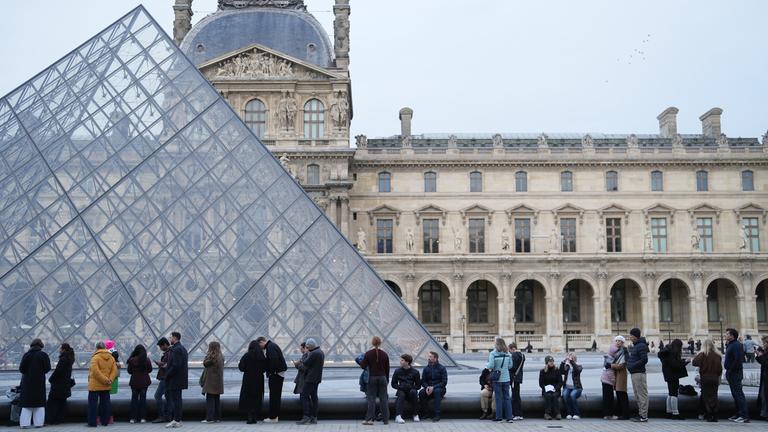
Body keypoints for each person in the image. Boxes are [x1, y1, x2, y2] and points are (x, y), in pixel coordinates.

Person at [19, 338, 51, 429]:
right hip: (39, 382)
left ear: (31, 345)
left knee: (26, 405)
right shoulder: (43, 355)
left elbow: (21, 369)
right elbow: (47, 368)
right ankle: (39, 423)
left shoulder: (26, 355)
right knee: (39, 404)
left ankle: (24, 424)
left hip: (27, 382)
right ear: (41, 346)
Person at [360, 336, 390, 425]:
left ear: (372, 343)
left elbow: (362, 366)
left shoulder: (368, 353)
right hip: (383, 378)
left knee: (371, 399)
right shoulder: (385, 354)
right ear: (380, 343)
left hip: (372, 377)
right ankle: (386, 420)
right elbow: (387, 369)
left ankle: (369, 419)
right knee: (384, 399)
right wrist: (387, 379)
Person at [87, 341, 118, 428]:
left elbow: (95, 372)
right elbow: (114, 370)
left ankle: (92, 423)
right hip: (107, 385)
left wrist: (105, 380)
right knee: (105, 404)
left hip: (95, 386)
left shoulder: (95, 358)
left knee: (92, 405)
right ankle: (105, 422)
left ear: (96, 348)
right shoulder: (111, 357)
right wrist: (109, 380)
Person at [692, 339, 723, 422]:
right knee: (714, 396)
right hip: (714, 378)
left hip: (705, 378)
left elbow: (694, 363)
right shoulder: (718, 355)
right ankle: (715, 415)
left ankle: (709, 415)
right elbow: (720, 369)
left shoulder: (702, 354)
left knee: (706, 396)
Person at [295, 338, 324, 425]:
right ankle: (314, 417)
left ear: (310, 346)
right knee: (314, 397)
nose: (307, 348)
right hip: (317, 378)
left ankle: (306, 416)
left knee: (304, 396)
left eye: (307, 347)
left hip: (310, 378)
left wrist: (299, 362)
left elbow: (306, 363)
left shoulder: (314, 353)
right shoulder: (320, 352)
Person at [258, 337, 287, 423]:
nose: (260, 348)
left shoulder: (270, 347)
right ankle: (275, 416)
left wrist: (271, 372)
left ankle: (273, 417)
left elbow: (274, 360)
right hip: (278, 374)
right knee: (276, 396)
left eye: (259, 345)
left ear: (262, 342)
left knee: (274, 396)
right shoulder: (272, 346)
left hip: (276, 375)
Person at [658, 339, 688, 419]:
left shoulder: (667, 351)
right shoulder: (671, 353)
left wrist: (682, 361)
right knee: (674, 393)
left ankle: (669, 412)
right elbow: (675, 365)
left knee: (670, 393)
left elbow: (673, 363)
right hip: (673, 375)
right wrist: (685, 362)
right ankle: (675, 413)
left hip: (668, 374)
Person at [485, 337, 513, 423]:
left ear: (497, 344)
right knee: (507, 398)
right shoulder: (508, 353)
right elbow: (510, 366)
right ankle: (509, 417)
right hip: (506, 378)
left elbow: (491, 366)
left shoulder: (493, 353)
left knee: (498, 398)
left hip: (497, 379)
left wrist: (487, 364)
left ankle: (499, 417)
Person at [239, 340, 267, 424]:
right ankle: (255, 417)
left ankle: (250, 417)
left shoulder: (247, 355)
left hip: (248, 379)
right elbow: (265, 368)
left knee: (248, 397)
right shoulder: (261, 356)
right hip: (258, 379)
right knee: (257, 397)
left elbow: (241, 367)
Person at [724, 328, 749, 423]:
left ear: (732, 336)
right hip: (732, 372)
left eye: (727, 334)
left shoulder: (736, 345)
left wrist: (730, 370)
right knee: (735, 394)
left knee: (738, 394)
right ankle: (739, 413)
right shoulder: (731, 344)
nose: (725, 335)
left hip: (735, 373)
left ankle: (744, 415)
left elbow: (738, 360)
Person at [165, 331, 189, 428]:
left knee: (176, 400)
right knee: (177, 399)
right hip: (180, 378)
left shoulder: (177, 349)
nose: (170, 339)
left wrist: (167, 374)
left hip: (175, 379)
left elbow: (176, 365)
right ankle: (178, 419)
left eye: (170, 337)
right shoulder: (182, 348)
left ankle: (177, 420)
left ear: (175, 338)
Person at [46, 343, 74, 425]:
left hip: (58, 385)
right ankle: (59, 419)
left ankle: (51, 419)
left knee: (52, 403)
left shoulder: (63, 359)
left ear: (64, 349)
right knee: (62, 402)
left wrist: (51, 379)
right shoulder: (70, 358)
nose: (59, 350)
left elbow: (58, 371)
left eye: (60, 348)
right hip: (65, 384)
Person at [627, 328, 649, 422]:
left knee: (641, 395)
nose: (630, 337)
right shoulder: (637, 345)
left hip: (639, 373)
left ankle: (644, 416)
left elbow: (644, 360)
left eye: (631, 336)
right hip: (635, 373)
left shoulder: (641, 346)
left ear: (635, 336)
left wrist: (632, 366)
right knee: (637, 395)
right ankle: (641, 414)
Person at [127, 344, 153, 424]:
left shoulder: (131, 360)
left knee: (134, 400)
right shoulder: (147, 360)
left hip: (134, 381)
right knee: (143, 400)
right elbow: (150, 370)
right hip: (144, 382)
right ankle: (143, 418)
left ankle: (133, 418)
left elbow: (129, 371)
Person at [391, 354, 421, 423]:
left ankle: (415, 414)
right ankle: (398, 416)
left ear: (407, 362)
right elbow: (393, 384)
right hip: (401, 389)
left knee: (414, 392)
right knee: (401, 394)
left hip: (411, 390)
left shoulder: (415, 372)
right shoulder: (397, 371)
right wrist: (400, 387)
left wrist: (411, 387)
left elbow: (418, 385)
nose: (400, 362)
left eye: (402, 360)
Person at [419, 351, 447, 422]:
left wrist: (433, 387)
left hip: (440, 389)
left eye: (430, 357)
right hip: (428, 388)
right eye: (428, 357)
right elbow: (423, 381)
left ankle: (437, 415)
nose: (428, 358)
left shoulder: (442, 368)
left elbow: (444, 382)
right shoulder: (426, 368)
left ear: (436, 358)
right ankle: (426, 413)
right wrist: (427, 387)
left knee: (437, 392)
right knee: (421, 392)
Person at [201, 341, 224, 424]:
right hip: (218, 382)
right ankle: (217, 417)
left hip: (211, 382)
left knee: (210, 400)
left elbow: (205, 363)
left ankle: (210, 418)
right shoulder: (221, 356)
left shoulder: (211, 357)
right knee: (217, 400)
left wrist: (207, 356)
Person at [152, 337, 171, 424]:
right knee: (168, 397)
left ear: (165, 344)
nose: (160, 348)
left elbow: (169, 364)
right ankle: (168, 416)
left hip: (165, 378)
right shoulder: (170, 352)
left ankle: (162, 416)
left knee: (157, 396)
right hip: (167, 378)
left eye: (161, 346)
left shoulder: (169, 352)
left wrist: (161, 364)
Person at [611, 336, 630, 420]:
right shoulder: (618, 351)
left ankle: (625, 415)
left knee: (622, 395)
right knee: (619, 394)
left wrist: (611, 365)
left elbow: (622, 365)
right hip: (617, 374)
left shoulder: (624, 351)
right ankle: (621, 414)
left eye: (619, 341)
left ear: (623, 342)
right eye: (616, 341)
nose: (617, 342)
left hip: (621, 374)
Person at [560, 353, 583, 420]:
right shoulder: (567, 367)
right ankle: (569, 413)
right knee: (565, 395)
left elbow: (577, 371)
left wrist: (572, 362)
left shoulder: (579, 366)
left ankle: (577, 413)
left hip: (577, 387)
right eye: (570, 358)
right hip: (567, 387)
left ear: (574, 359)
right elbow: (561, 371)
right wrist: (563, 362)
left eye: (572, 358)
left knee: (572, 395)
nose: (570, 360)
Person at [600, 339, 619, 420]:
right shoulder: (611, 360)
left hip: (604, 380)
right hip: (608, 381)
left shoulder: (607, 358)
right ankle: (609, 415)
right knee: (609, 398)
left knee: (606, 398)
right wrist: (614, 382)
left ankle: (605, 414)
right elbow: (610, 372)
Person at [539, 355, 562, 420]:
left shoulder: (557, 370)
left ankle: (557, 413)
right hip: (546, 390)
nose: (551, 362)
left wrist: (556, 388)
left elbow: (560, 382)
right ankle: (547, 414)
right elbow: (541, 383)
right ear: (546, 363)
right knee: (548, 396)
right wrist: (545, 388)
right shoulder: (542, 371)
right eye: (550, 361)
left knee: (555, 396)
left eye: (552, 361)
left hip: (555, 389)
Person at [508, 342, 525, 420]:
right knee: (517, 395)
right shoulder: (522, 355)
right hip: (519, 377)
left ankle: (515, 414)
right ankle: (520, 414)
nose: (509, 352)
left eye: (509, 350)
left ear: (513, 349)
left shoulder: (514, 355)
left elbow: (513, 367)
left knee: (514, 396)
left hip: (513, 378)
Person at [756, 336, 768, 420]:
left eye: (764, 343)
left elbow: (766, 363)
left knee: (765, 396)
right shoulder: (766, 352)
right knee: (763, 396)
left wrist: (760, 356)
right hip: (765, 377)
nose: (763, 345)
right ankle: (764, 413)